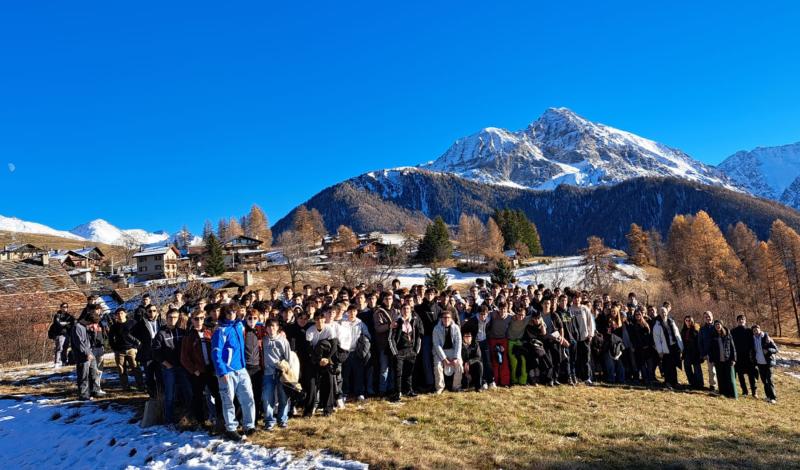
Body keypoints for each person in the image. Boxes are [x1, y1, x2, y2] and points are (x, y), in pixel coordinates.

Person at [211, 304, 257, 441]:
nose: (232, 314)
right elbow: (216, 352)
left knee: (248, 397)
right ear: (224, 314)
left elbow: (256, 322)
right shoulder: (220, 331)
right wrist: (222, 371)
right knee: (228, 400)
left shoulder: (238, 326)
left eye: (234, 312)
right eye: (229, 312)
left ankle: (249, 425)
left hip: (241, 369)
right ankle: (230, 428)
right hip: (227, 371)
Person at [181, 307, 223, 430]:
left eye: (201, 318)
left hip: (210, 369)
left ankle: (220, 418)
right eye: (196, 319)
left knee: (217, 394)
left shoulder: (209, 332)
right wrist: (194, 370)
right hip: (198, 372)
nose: (199, 321)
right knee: (198, 397)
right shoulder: (188, 336)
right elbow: (184, 358)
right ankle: (200, 421)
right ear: (192, 320)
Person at [152, 308, 192, 425]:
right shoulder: (161, 333)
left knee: (188, 391)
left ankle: (190, 415)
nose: (172, 320)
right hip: (168, 368)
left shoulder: (182, 331)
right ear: (166, 318)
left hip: (182, 367)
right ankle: (168, 419)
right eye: (170, 317)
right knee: (169, 393)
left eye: (175, 318)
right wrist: (166, 364)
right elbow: (155, 352)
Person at [305, 310, 339, 416]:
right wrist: (318, 360)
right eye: (317, 319)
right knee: (312, 385)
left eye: (321, 319)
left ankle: (328, 409)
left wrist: (327, 359)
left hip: (326, 359)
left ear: (325, 319)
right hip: (314, 360)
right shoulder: (310, 330)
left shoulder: (329, 329)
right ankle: (309, 410)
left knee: (329, 382)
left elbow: (334, 346)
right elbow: (309, 349)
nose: (319, 321)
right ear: (314, 320)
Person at [388, 303, 423, 402]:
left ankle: (409, 390)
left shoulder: (414, 321)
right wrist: (395, 352)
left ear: (410, 310)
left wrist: (416, 350)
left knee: (409, 373)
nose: (406, 311)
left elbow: (419, 336)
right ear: (401, 310)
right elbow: (390, 338)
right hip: (399, 351)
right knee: (398, 373)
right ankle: (397, 393)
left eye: (408, 309)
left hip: (411, 350)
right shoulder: (396, 322)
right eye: (404, 309)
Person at [261, 318, 292, 430]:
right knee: (267, 398)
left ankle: (282, 419)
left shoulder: (283, 341)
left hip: (281, 373)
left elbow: (288, 357)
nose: (271, 329)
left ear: (278, 327)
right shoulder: (263, 340)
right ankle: (269, 421)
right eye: (269, 326)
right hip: (268, 373)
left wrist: (286, 370)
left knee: (283, 398)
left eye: (273, 326)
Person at [108, 308, 143, 390]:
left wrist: (135, 346)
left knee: (136, 368)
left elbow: (138, 334)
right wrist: (115, 348)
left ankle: (140, 385)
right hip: (119, 351)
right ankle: (125, 386)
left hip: (131, 349)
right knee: (121, 369)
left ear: (125, 314)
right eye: (118, 314)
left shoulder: (132, 323)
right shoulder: (114, 326)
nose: (120, 315)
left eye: (121, 313)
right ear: (116, 316)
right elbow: (111, 339)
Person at [133, 303, 163, 398]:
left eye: (154, 311)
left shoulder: (161, 322)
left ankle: (161, 394)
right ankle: (152, 395)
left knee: (160, 375)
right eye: (150, 311)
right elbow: (129, 333)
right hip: (147, 353)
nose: (152, 313)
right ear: (146, 312)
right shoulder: (142, 323)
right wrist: (138, 342)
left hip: (159, 352)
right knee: (149, 376)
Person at [70, 311, 101, 400]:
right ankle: (83, 394)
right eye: (93, 323)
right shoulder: (78, 327)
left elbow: (93, 341)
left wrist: (94, 331)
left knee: (93, 373)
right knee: (83, 374)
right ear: (89, 321)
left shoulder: (87, 327)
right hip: (82, 354)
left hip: (90, 352)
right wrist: (87, 353)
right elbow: (79, 343)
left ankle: (95, 390)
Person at [432, 309, 462, 394]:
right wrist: (444, 359)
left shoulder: (456, 328)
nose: (446, 319)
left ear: (451, 318)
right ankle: (439, 387)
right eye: (444, 317)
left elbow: (458, 342)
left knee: (459, 364)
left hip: (453, 351)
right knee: (437, 366)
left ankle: (456, 386)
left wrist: (456, 357)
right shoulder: (436, 329)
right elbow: (436, 345)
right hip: (440, 351)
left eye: (448, 317)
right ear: (441, 318)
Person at [652, 307, 683, 389]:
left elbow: (677, 334)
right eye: (661, 312)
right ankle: (668, 382)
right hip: (665, 348)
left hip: (673, 346)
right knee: (667, 366)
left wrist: (680, 346)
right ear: (659, 313)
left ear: (667, 312)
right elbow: (657, 340)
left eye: (665, 312)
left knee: (673, 365)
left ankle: (675, 382)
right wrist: (660, 351)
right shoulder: (657, 325)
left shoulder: (671, 322)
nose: (663, 313)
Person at [570, 294, 595, 385]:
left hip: (585, 337)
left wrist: (590, 335)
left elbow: (590, 322)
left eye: (578, 298)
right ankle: (577, 377)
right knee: (576, 359)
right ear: (572, 299)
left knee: (586, 359)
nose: (576, 300)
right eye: (575, 298)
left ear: (580, 299)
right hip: (574, 338)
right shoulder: (570, 309)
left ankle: (587, 378)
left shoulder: (584, 308)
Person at [710, 319, 738, 399]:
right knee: (721, 377)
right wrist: (712, 360)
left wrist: (734, 359)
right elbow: (711, 349)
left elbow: (733, 347)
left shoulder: (727, 334)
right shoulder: (713, 335)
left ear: (722, 325)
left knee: (730, 378)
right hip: (718, 360)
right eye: (716, 325)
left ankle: (733, 395)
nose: (717, 326)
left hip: (728, 360)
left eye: (719, 324)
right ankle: (723, 393)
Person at [731, 315, 757, 397]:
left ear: (745, 321)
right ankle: (745, 391)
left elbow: (754, 343)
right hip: (738, 357)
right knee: (740, 375)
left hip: (748, 357)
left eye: (742, 319)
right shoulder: (733, 331)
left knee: (751, 375)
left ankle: (754, 392)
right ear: (737, 321)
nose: (741, 321)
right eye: (739, 319)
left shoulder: (749, 331)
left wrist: (754, 356)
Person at [751, 324, 778, 404]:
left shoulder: (766, 337)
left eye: (757, 330)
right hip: (759, 363)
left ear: (760, 329)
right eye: (754, 331)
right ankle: (768, 396)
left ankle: (773, 398)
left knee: (770, 380)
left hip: (768, 363)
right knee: (764, 381)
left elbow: (776, 349)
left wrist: (768, 350)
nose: (755, 331)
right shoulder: (753, 339)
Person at [487, 301, 512, 387]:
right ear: (498, 309)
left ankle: (505, 381)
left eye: (504, 310)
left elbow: (519, 317)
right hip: (493, 339)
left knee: (504, 361)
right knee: (495, 360)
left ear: (507, 309)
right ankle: (496, 381)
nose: (502, 312)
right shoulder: (493, 315)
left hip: (503, 340)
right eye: (501, 309)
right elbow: (484, 313)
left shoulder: (510, 317)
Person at [680, 316, 704, 389]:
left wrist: (701, 353)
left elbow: (699, 342)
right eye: (686, 320)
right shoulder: (683, 331)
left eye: (689, 320)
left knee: (697, 369)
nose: (688, 322)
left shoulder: (696, 329)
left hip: (695, 352)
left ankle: (700, 384)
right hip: (687, 352)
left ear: (692, 321)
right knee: (687, 368)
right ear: (684, 322)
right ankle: (692, 383)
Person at [49, 302, 75, 367]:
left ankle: (64, 361)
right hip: (59, 334)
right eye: (63, 307)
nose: (65, 308)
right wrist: (65, 324)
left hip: (67, 334)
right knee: (59, 348)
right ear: (61, 308)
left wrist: (65, 324)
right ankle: (57, 362)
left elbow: (72, 323)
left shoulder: (69, 316)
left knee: (65, 348)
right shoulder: (57, 315)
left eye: (66, 307)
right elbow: (57, 324)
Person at [698, 311, 718, 391]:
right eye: (706, 317)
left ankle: (723, 385)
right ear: (704, 319)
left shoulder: (717, 326)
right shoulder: (702, 329)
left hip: (719, 352)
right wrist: (703, 354)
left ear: (712, 316)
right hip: (708, 353)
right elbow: (700, 342)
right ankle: (713, 385)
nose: (708, 318)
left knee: (720, 370)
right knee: (711, 370)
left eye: (709, 316)